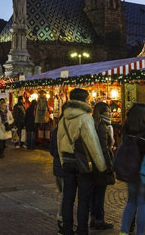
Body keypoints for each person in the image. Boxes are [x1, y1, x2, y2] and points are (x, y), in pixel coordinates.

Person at [57, 88, 108, 235]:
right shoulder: (85, 118)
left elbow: (59, 142)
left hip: (67, 161)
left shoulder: (63, 118)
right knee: (83, 199)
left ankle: (67, 229)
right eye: (87, 99)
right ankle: (82, 230)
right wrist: (101, 166)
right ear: (83, 100)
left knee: (68, 198)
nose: (89, 101)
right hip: (82, 164)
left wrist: (62, 161)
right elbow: (92, 143)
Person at [119, 103, 145, 235]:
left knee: (131, 201)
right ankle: (140, 232)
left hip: (131, 170)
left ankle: (123, 231)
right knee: (143, 204)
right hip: (144, 172)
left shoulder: (127, 129)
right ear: (142, 116)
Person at [89, 102, 114, 230]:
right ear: (102, 113)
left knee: (94, 192)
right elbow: (104, 149)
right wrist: (108, 166)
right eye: (108, 111)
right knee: (100, 193)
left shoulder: (94, 124)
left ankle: (93, 218)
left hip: (93, 163)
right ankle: (99, 219)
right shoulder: (102, 127)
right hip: (100, 164)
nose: (110, 113)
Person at [50, 117, 66, 234]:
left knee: (63, 193)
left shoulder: (55, 130)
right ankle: (62, 219)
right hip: (64, 166)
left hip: (57, 166)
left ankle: (62, 219)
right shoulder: (66, 130)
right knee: (66, 195)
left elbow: (51, 150)